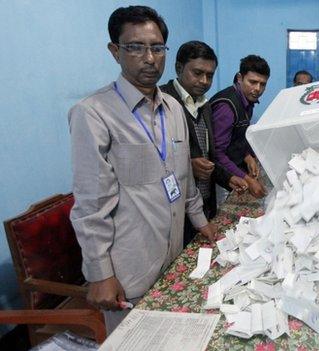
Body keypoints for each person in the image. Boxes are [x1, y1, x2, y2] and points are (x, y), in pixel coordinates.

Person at [68, 6, 217, 333]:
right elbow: (92, 205)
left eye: (157, 47)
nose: (149, 58)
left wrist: (201, 222)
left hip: (175, 260)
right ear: (115, 51)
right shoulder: (93, 114)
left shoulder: (174, 109)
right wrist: (100, 273)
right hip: (130, 272)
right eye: (135, 47)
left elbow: (184, 181)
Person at [160, 41, 247, 245]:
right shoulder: (162, 102)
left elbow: (210, 155)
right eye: (197, 73)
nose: (204, 81)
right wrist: (188, 165)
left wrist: (228, 178)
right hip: (174, 207)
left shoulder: (204, 105)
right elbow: (154, 158)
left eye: (210, 75)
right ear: (179, 68)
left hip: (204, 203)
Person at [210, 55, 270, 199]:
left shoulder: (247, 100)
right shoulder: (226, 107)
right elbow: (217, 154)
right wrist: (248, 180)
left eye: (263, 84)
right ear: (239, 78)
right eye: (253, 82)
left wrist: (247, 156)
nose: (258, 89)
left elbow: (236, 136)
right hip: (222, 176)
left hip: (235, 166)